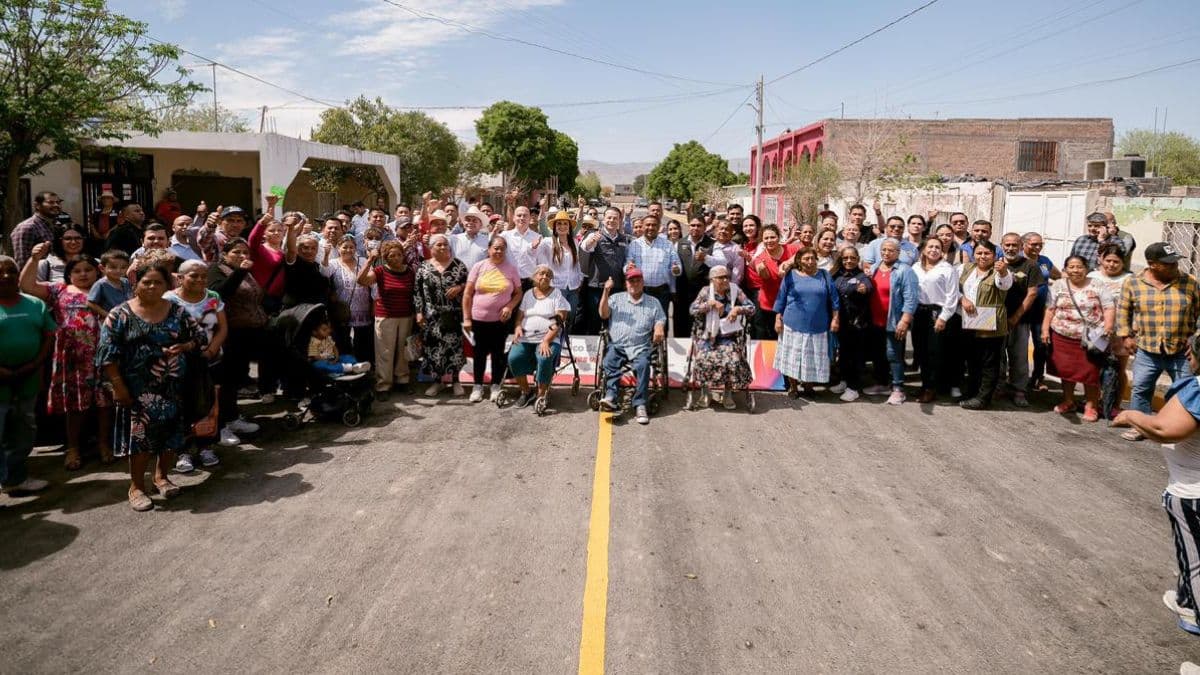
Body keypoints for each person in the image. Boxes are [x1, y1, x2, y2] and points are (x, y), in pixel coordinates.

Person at [97, 263, 207, 512]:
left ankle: (161, 477)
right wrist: (118, 386)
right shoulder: (120, 314)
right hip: (137, 390)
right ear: (135, 284)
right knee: (141, 440)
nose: (152, 286)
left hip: (172, 387)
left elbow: (200, 337)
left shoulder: (177, 311)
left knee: (171, 435)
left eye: (158, 282)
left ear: (167, 285)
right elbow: (106, 355)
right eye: (147, 282)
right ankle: (136, 487)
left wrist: (184, 347)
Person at [1111, 334, 1200, 636]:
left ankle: (1194, 612)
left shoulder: (1197, 390)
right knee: (1189, 554)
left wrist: (1132, 415)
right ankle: (1185, 598)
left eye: (1193, 351)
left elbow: (1165, 430)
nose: (1188, 355)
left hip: (1192, 495)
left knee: (1196, 561)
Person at [21, 242, 114, 471]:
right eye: (77, 271)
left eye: (88, 269)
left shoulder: (108, 289)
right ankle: (73, 448)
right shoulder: (59, 290)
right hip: (73, 358)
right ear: (69, 274)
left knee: (105, 402)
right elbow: (27, 285)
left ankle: (104, 444)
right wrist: (34, 259)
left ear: (97, 271)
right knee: (75, 405)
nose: (83, 274)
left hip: (105, 356)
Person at [1117, 242, 1200, 441]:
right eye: (1168, 263)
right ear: (1152, 264)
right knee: (1141, 388)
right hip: (1146, 349)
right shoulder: (1133, 283)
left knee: (1185, 390)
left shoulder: (1190, 282)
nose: (1174, 266)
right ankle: (1140, 427)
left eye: (1175, 262)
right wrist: (1126, 336)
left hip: (1181, 350)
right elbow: (1124, 310)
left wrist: (1196, 340)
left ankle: (1180, 429)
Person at [165, 259, 231, 472]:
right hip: (179, 362)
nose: (200, 280)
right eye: (194, 275)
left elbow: (222, 328)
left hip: (209, 359)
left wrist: (211, 351)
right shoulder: (169, 299)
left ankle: (205, 446)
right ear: (180, 277)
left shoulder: (213, 297)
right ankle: (182, 451)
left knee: (208, 404)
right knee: (181, 406)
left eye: (204, 276)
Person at [0, 255, 55, 495]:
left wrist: (34, 364)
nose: (6, 276)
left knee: (24, 430)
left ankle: (15, 478)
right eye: (0, 272)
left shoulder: (35, 304)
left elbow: (48, 336)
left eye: (11, 271)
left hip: (28, 378)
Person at [206, 237, 271, 430]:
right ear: (225, 254)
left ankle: (233, 415)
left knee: (240, 374)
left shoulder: (246, 272)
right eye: (236, 252)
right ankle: (227, 420)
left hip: (253, 330)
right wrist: (241, 271)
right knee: (229, 378)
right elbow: (220, 293)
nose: (242, 256)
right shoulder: (216, 270)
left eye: (245, 252)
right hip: (231, 333)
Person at [1042, 255, 1114, 422]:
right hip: (1062, 335)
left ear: (1086, 268)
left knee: (1091, 372)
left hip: (1091, 338)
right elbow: (1050, 309)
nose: (1076, 270)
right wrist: (1045, 330)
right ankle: (1069, 401)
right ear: (1065, 269)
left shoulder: (1097, 284)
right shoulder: (1058, 285)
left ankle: (1091, 405)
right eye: (1072, 267)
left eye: (1080, 267)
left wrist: (1108, 326)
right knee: (1066, 371)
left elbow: (1109, 307)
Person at [597, 268, 666, 425]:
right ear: (626, 284)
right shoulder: (615, 298)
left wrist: (659, 327)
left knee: (643, 365)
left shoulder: (653, 302)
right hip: (618, 344)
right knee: (609, 361)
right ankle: (611, 397)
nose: (634, 284)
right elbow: (603, 314)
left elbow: (660, 318)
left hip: (641, 346)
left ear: (643, 282)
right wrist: (606, 292)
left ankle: (640, 404)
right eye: (631, 281)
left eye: (637, 280)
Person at [773, 247, 840, 399]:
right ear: (799, 261)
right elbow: (781, 298)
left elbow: (834, 299)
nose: (810, 262)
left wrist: (835, 318)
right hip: (792, 324)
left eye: (812, 258)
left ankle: (809, 387)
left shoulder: (824, 275)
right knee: (792, 357)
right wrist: (778, 318)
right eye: (806, 259)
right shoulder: (790, 275)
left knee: (813, 359)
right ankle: (793, 387)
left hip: (818, 324)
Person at [463, 236, 522, 403]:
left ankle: (495, 385)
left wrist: (509, 307)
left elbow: (518, 293)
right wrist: (466, 318)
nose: (498, 251)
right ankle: (477, 386)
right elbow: (467, 294)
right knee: (479, 354)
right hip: (478, 320)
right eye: (495, 248)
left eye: (502, 248)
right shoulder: (478, 266)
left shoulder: (511, 269)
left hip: (500, 321)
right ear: (489, 249)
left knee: (498, 354)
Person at [689, 265, 755, 409]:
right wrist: (709, 304)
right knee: (703, 358)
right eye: (721, 277)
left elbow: (752, 308)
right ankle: (705, 393)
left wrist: (738, 309)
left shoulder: (735, 290)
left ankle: (727, 394)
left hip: (729, 337)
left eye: (727, 277)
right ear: (712, 280)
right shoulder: (706, 291)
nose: (725, 280)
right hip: (708, 336)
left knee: (732, 359)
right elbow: (692, 309)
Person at [958, 240, 1014, 410]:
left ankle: (983, 398)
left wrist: (1003, 271)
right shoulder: (966, 268)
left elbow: (1005, 284)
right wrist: (962, 299)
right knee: (972, 360)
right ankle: (972, 393)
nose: (982, 256)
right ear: (973, 254)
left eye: (987, 253)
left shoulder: (1000, 272)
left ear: (995, 255)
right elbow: (953, 288)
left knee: (989, 362)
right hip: (969, 322)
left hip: (991, 323)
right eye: (979, 253)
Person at [861, 239, 918, 405]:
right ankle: (881, 384)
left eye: (891, 250)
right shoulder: (874, 268)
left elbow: (911, 298)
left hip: (893, 320)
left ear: (898, 253)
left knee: (894, 355)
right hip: (874, 321)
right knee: (878, 354)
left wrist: (905, 320)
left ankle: (898, 388)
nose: (886, 253)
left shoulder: (905, 271)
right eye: (884, 249)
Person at [358, 240, 416, 401]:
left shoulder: (410, 271)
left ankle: (402, 380)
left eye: (399, 255)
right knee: (385, 352)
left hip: (406, 316)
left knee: (403, 350)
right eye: (392, 255)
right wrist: (370, 260)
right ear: (385, 257)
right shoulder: (380, 271)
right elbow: (361, 281)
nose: (396, 258)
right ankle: (383, 385)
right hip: (385, 317)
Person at [508, 265, 571, 409]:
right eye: (541, 274)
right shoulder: (528, 294)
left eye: (548, 275)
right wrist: (517, 327)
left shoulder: (557, 294)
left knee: (544, 357)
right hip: (526, 337)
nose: (545, 277)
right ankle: (526, 392)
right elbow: (519, 317)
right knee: (513, 358)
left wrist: (546, 341)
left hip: (548, 338)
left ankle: (541, 395)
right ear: (534, 277)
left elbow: (559, 319)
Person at [414, 234, 469, 397]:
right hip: (431, 315)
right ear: (431, 248)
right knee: (433, 349)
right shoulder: (423, 267)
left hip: (453, 314)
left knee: (454, 348)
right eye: (439, 245)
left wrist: (459, 287)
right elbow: (417, 291)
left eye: (445, 244)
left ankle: (456, 381)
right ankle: (438, 382)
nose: (443, 247)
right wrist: (419, 312)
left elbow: (470, 285)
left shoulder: (459, 265)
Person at [911, 237, 960, 403]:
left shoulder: (947, 269)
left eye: (937, 247)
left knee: (934, 352)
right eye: (930, 246)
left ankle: (932, 388)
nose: (934, 250)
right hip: (919, 312)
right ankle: (924, 384)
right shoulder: (915, 267)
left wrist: (943, 317)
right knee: (920, 350)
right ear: (924, 249)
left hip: (937, 313)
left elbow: (952, 296)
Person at [997, 232, 1043, 408]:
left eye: (1014, 245)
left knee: (1019, 355)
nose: (1010, 248)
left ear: (1021, 246)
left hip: (1020, 319)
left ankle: (1019, 390)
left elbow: (1032, 293)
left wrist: (1015, 317)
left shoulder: (1030, 266)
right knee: (997, 355)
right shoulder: (996, 263)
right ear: (1002, 245)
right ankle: (999, 386)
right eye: (1007, 245)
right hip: (996, 319)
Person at [1088, 243, 1133, 413]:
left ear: (1123, 262)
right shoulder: (1092, 276)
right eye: (1108, 260)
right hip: (1096, 331)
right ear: (1101, 259)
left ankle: (1115, 405)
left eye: (1116, 262)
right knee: (1095, 367)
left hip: (1121, 331)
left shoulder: (1130, 279)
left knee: (1120, 369)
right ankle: (1094, 401)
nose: (1111, 265)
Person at [829, 246, 873, 402]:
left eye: (853, 258)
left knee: (855, 356)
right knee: (843, 354)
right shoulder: (836, 275)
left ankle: (854, 387)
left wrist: (864, 289)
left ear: (858, 259)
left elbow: (867, 286)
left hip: (856, 324)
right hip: (840, 322)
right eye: (845, 258)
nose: (849, 261)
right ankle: (844, 381)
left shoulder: (862, 276)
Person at [579, 207, 629, 336]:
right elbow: (585, 247)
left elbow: (625, 260)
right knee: (594, 321)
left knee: (615, 322)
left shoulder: (623, 239)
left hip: (616, 287)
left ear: (619, 220)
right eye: (609, 217)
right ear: (603, 219)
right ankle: (594, 347)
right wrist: (591, 241)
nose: (611, 220)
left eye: (615, 218)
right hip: (597, 287)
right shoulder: (595, 234)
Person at [325, 234, 373, 363]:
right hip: (342, 312)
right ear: (338, 248)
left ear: (356, 248)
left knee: (362, 343)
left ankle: (363, 368)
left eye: (351, 247)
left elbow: (373, 283)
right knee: (343, 342)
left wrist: (374, 303)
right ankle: (346, 368)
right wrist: (325, 256)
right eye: (345, 247)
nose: (348, 250)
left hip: (363, 310)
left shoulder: (363, 261)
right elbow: (324, 274)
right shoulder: (333, 263)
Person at [1023, 232, 1060, 392]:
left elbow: (1058, 275)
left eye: (1040, 244)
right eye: (1034, 244)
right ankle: (1017, 378)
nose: (1037, 247)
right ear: (1024, 244)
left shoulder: (1045, 261)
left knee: (1041, 345)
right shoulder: (1019, 260)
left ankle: (1038, 377)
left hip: (1041, 311)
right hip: (1021, 311)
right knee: (1018, 347)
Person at [624, 214, 681, 318]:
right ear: (643, 226)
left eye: (654, 225)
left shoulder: (668, 244)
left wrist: (676, 269)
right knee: (641, 321)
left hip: (662, 293)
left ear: (659, 227)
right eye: (648, 225)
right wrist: (628, 268)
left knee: (661, 322)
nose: (650, 227)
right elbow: (627, 265)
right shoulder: (634, 244)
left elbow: (677, 267)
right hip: (640, 291)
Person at [749, 224, 798, 340]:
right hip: (769, 303)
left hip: (791, 301)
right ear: (762, 240)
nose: (769, 240)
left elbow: (804, 252)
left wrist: (787, 263)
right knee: (769, 336)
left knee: (788, 336)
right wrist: (762, 270)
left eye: (772, 237)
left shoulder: (791, 249)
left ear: (778, 237)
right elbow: (764, 276)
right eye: (766, 238)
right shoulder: (760, 258)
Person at [539, 210, 583, 329]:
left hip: (573, 286)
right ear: (554, 227)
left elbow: (577, 264)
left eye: (565, 224)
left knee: (570, 316)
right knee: (557, 318)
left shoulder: (574, 242)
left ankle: (566, 338)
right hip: (557, 286)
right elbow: (538, 259)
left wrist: (580, 279)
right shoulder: (547, 242)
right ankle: (554, 338)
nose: (562, 226)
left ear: (569, 227)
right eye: (559, 223)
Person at [674, 217, 715, 338]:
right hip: (682, 291)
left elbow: (720, 263)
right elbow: (674, 264)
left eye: (699, 225)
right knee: (681, 323)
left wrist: (706, 258)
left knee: (701, 323)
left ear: (705, 227)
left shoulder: (713, 244)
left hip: (703, 291)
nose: (695, 228)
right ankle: (682, 349)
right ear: (688, 226)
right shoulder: (679, 243)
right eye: (692, 225)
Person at [248, 212, 288, 312]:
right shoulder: (260, 249)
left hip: (281, 300)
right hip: (264, 299)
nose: (276, 233)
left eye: (279, 230)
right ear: (264, 234)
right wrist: (262, 223)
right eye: (271, 230)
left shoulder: (284, 253)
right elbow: (253, 240)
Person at [11, 191, 61, 268]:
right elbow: (22, 263)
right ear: (37, 205)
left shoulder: (56, 226)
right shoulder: (27, 227)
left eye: (58, 202)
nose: (56, 205)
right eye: (51, 202)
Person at [500, 205, 543, 289]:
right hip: (509, 281)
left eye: (525, 215)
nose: (522, 218)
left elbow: (540, 262)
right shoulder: (505, 236)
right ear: (513, 218)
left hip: (530, 282)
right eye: (519, 215)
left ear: (529, 218)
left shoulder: (537, 237)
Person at [87, 250, 133, 318]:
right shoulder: (101, 284)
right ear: (102, 268)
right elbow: (90, 303)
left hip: (126, 318)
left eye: (123, 267)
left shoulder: (126, 282)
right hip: (109, 320)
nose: (118, 271)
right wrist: (107, 315)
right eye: (113, 267)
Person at [87, 190, 120, 256]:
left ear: (112, 200)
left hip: (112, 239)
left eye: (108, 198)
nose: (105, 200)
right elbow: (91, 222)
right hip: (97, 239)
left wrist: (109, 232)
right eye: (104, 198)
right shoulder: (97, 211)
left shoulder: (117, 212)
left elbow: (119, 223)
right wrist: (95, 232)